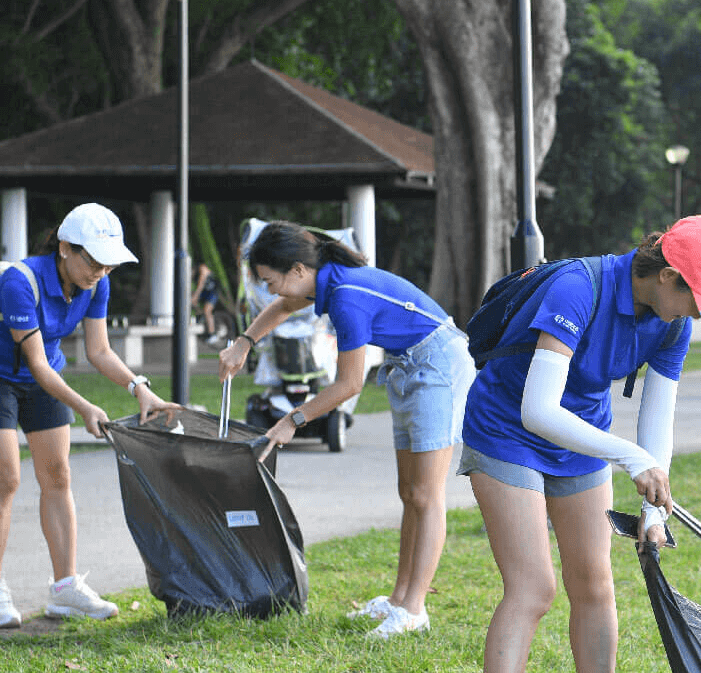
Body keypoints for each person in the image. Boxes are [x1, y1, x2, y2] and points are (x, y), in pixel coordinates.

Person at [459, 215, 701, 673]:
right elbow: (538, 408)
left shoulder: (670, 324)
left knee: (595, 586)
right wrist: (629, 457)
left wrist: (653, 506)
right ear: (666, 277)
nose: (695, 316)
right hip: (508, 428)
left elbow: (656, 416)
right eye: (695, 301)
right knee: (533, 587)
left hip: (582, 436)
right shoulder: (579, 288)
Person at [218, 220, 474, 640]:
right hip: (410, 365)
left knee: (427, 495)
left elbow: (348, 385)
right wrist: (244, 342)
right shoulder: (325, 283)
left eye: (271, 280)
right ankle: (398, 600)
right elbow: (282, 308)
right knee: (409, 493)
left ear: (298, 271)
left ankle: (414, 610)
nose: (271, 291)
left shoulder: (346, 296)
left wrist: (291, 420)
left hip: (438, 367)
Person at [0, 203, 179, 627]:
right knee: (6, 477)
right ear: (65, 248)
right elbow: (36, 363)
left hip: (45, 379)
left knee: (58, 475)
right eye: (94, 261)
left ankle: (65, 589)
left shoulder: (96, 285)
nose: (101, 271)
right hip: (4, 376)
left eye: (109, 264)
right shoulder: (18, 281)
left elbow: (99, 351)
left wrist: (139, 388)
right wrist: (85, 406)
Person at [191, 262, 222, 346]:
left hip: (213, 291)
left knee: (207, 310)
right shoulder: (193, 274)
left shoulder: (202, 268)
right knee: (189, 299)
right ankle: (200, 316)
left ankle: (212, 334)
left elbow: (200, 284)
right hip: (205, 292)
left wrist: (196, 296)